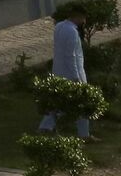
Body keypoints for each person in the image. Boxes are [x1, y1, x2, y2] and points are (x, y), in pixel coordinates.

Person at [36, 7, 92, 140]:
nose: (84, 21)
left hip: (59, 71)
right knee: (82, 102)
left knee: (58, 102)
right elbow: (71, 56)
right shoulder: (72, 32)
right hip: (72, 73)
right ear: (78, 17)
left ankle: (45, 127)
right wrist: (76, 77)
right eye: (83, 18)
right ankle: (84, 134)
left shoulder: (60, 26)